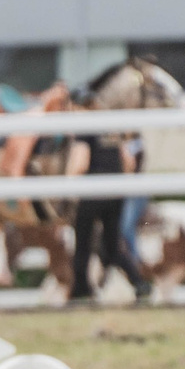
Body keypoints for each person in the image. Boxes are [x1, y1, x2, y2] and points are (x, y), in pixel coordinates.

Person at [68, 127, 148, 302]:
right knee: (112, 244)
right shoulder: (112, 129)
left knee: (82, 244)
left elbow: (81, 163)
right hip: (114, 193)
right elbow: (129, 162)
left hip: (90, 194)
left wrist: (69, 185)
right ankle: (138, 281)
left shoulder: (84, 130)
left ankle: (81, 289)